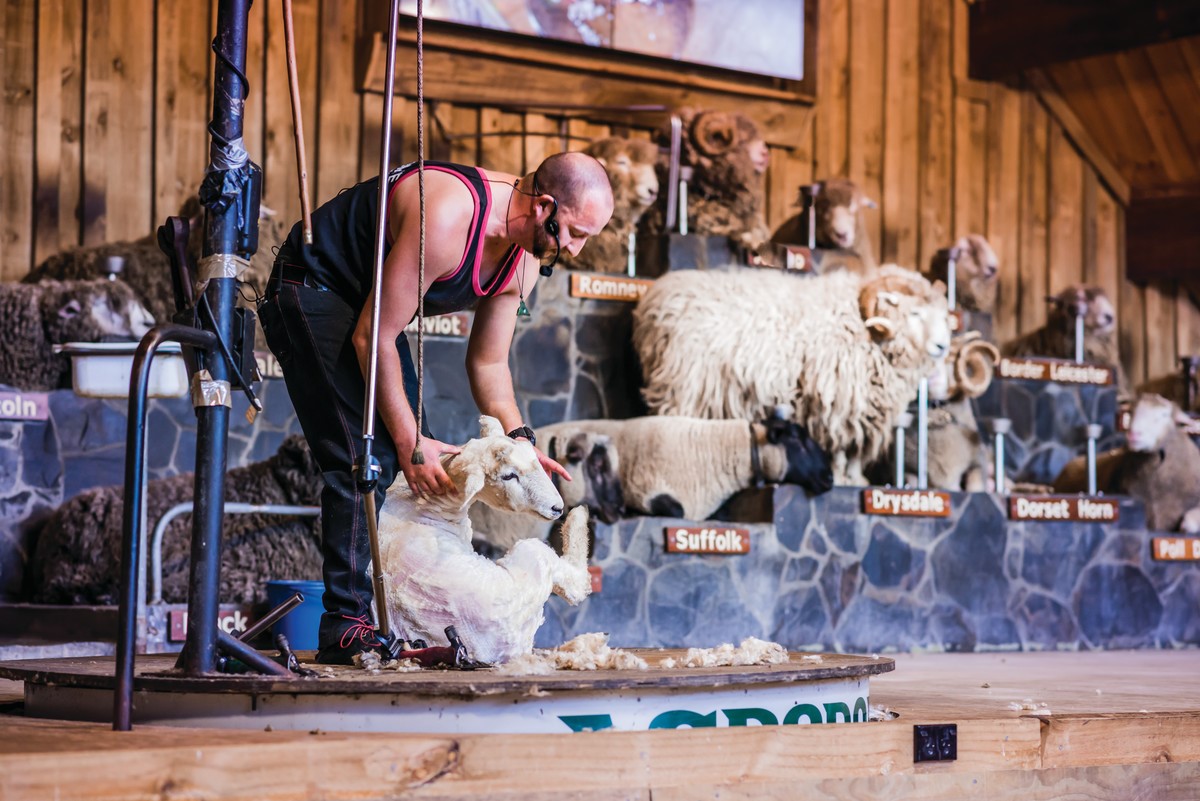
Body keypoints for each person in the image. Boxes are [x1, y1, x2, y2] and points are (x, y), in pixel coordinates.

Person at [258, 152, 614, 664]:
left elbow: (489, 365)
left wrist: (523, 444)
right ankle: (346, 625)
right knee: (370, 456)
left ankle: (395, 619)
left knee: (412, 471)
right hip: (316, 286)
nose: (577, 249)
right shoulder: (448, 216)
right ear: (543, 206)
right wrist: (408, 440)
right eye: (575, 233)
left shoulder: (524, 261)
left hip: (369, 308)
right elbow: (372, 335)